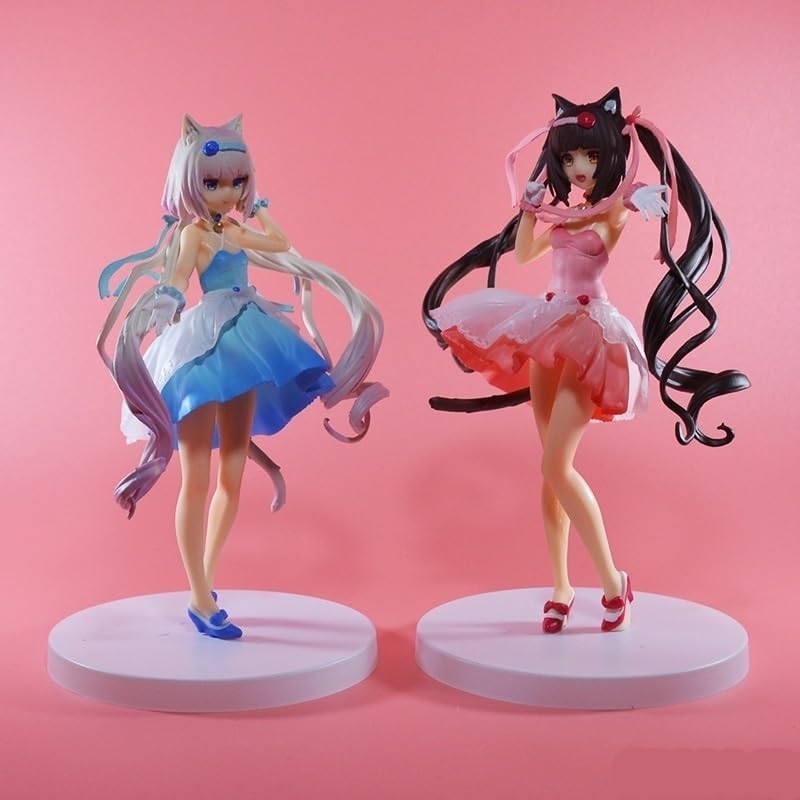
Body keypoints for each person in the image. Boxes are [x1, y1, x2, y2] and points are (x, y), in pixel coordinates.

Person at [423, 88, 749, 634]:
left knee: (557, 465)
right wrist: (528, 209)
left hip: (590, 332)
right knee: (548, 472)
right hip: (547, 325)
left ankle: (614, 580)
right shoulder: (564, 213)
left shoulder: (613, 208)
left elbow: (628, 201)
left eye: (591, 156)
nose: (579, 167)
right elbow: (524, 254)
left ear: (610, 157)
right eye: (571, 157)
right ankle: (561, 587)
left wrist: (644, 195)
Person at [98, 115, 387, 640]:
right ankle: (199, 593)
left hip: (248, 337)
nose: (226, 191)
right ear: (191, 181)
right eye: (213, 182)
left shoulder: (232, 229)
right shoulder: (192, 233)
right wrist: (164, 302)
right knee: (196, 478)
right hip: (206, 344)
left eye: (237, 180)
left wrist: (257, 210)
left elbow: (279, 242)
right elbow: (177, 278)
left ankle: (204, 585)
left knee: (231, 474)